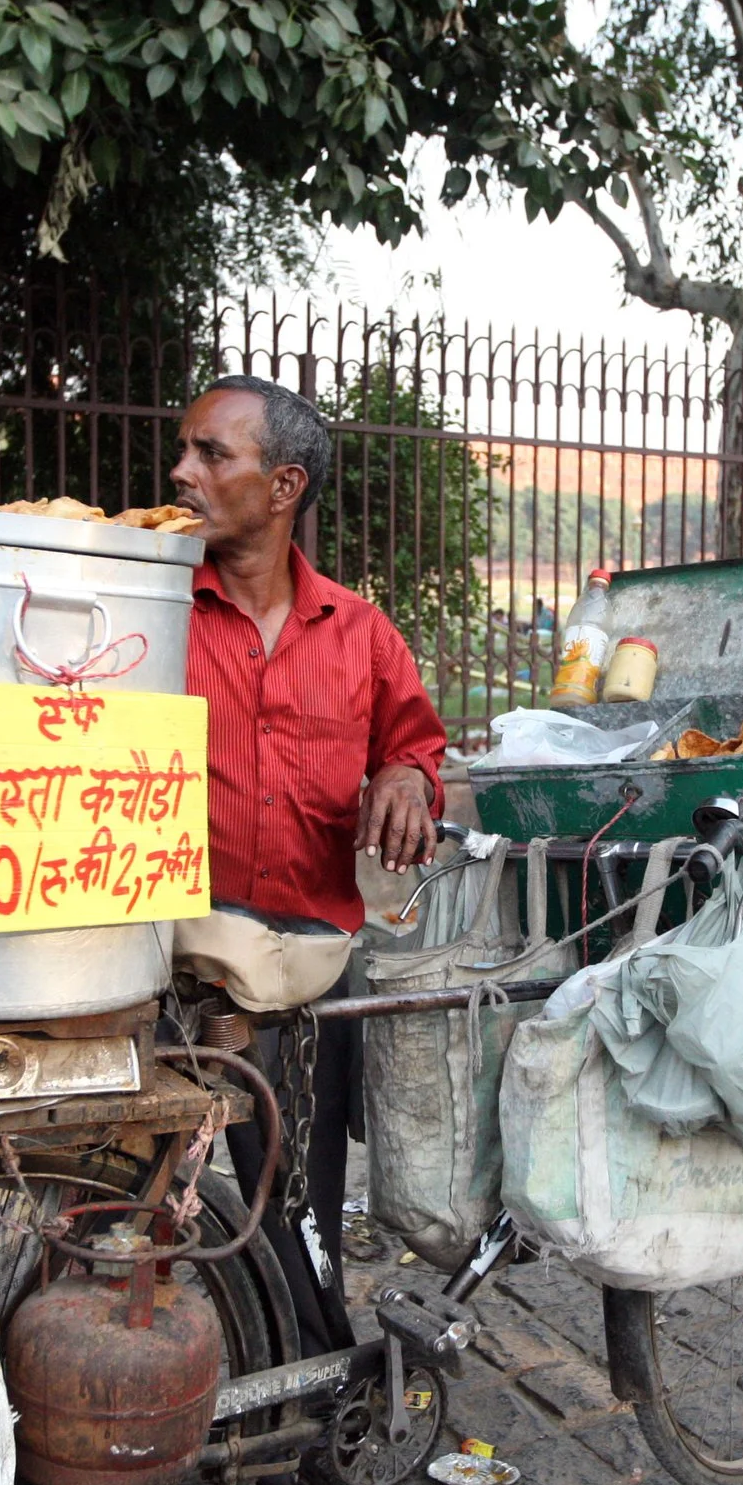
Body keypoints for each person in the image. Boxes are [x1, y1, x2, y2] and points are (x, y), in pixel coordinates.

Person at [169, 374, 447, 1366]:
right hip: (160, 971)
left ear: (282, 486)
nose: (181, 472)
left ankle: (309, 1398)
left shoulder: (361, 635)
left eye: (211, 454)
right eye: (185, 450)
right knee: (158, 1210)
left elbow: (414, 747)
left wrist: (408, 780)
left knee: (296, 1220)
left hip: (304, 975)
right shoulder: (153, 611)